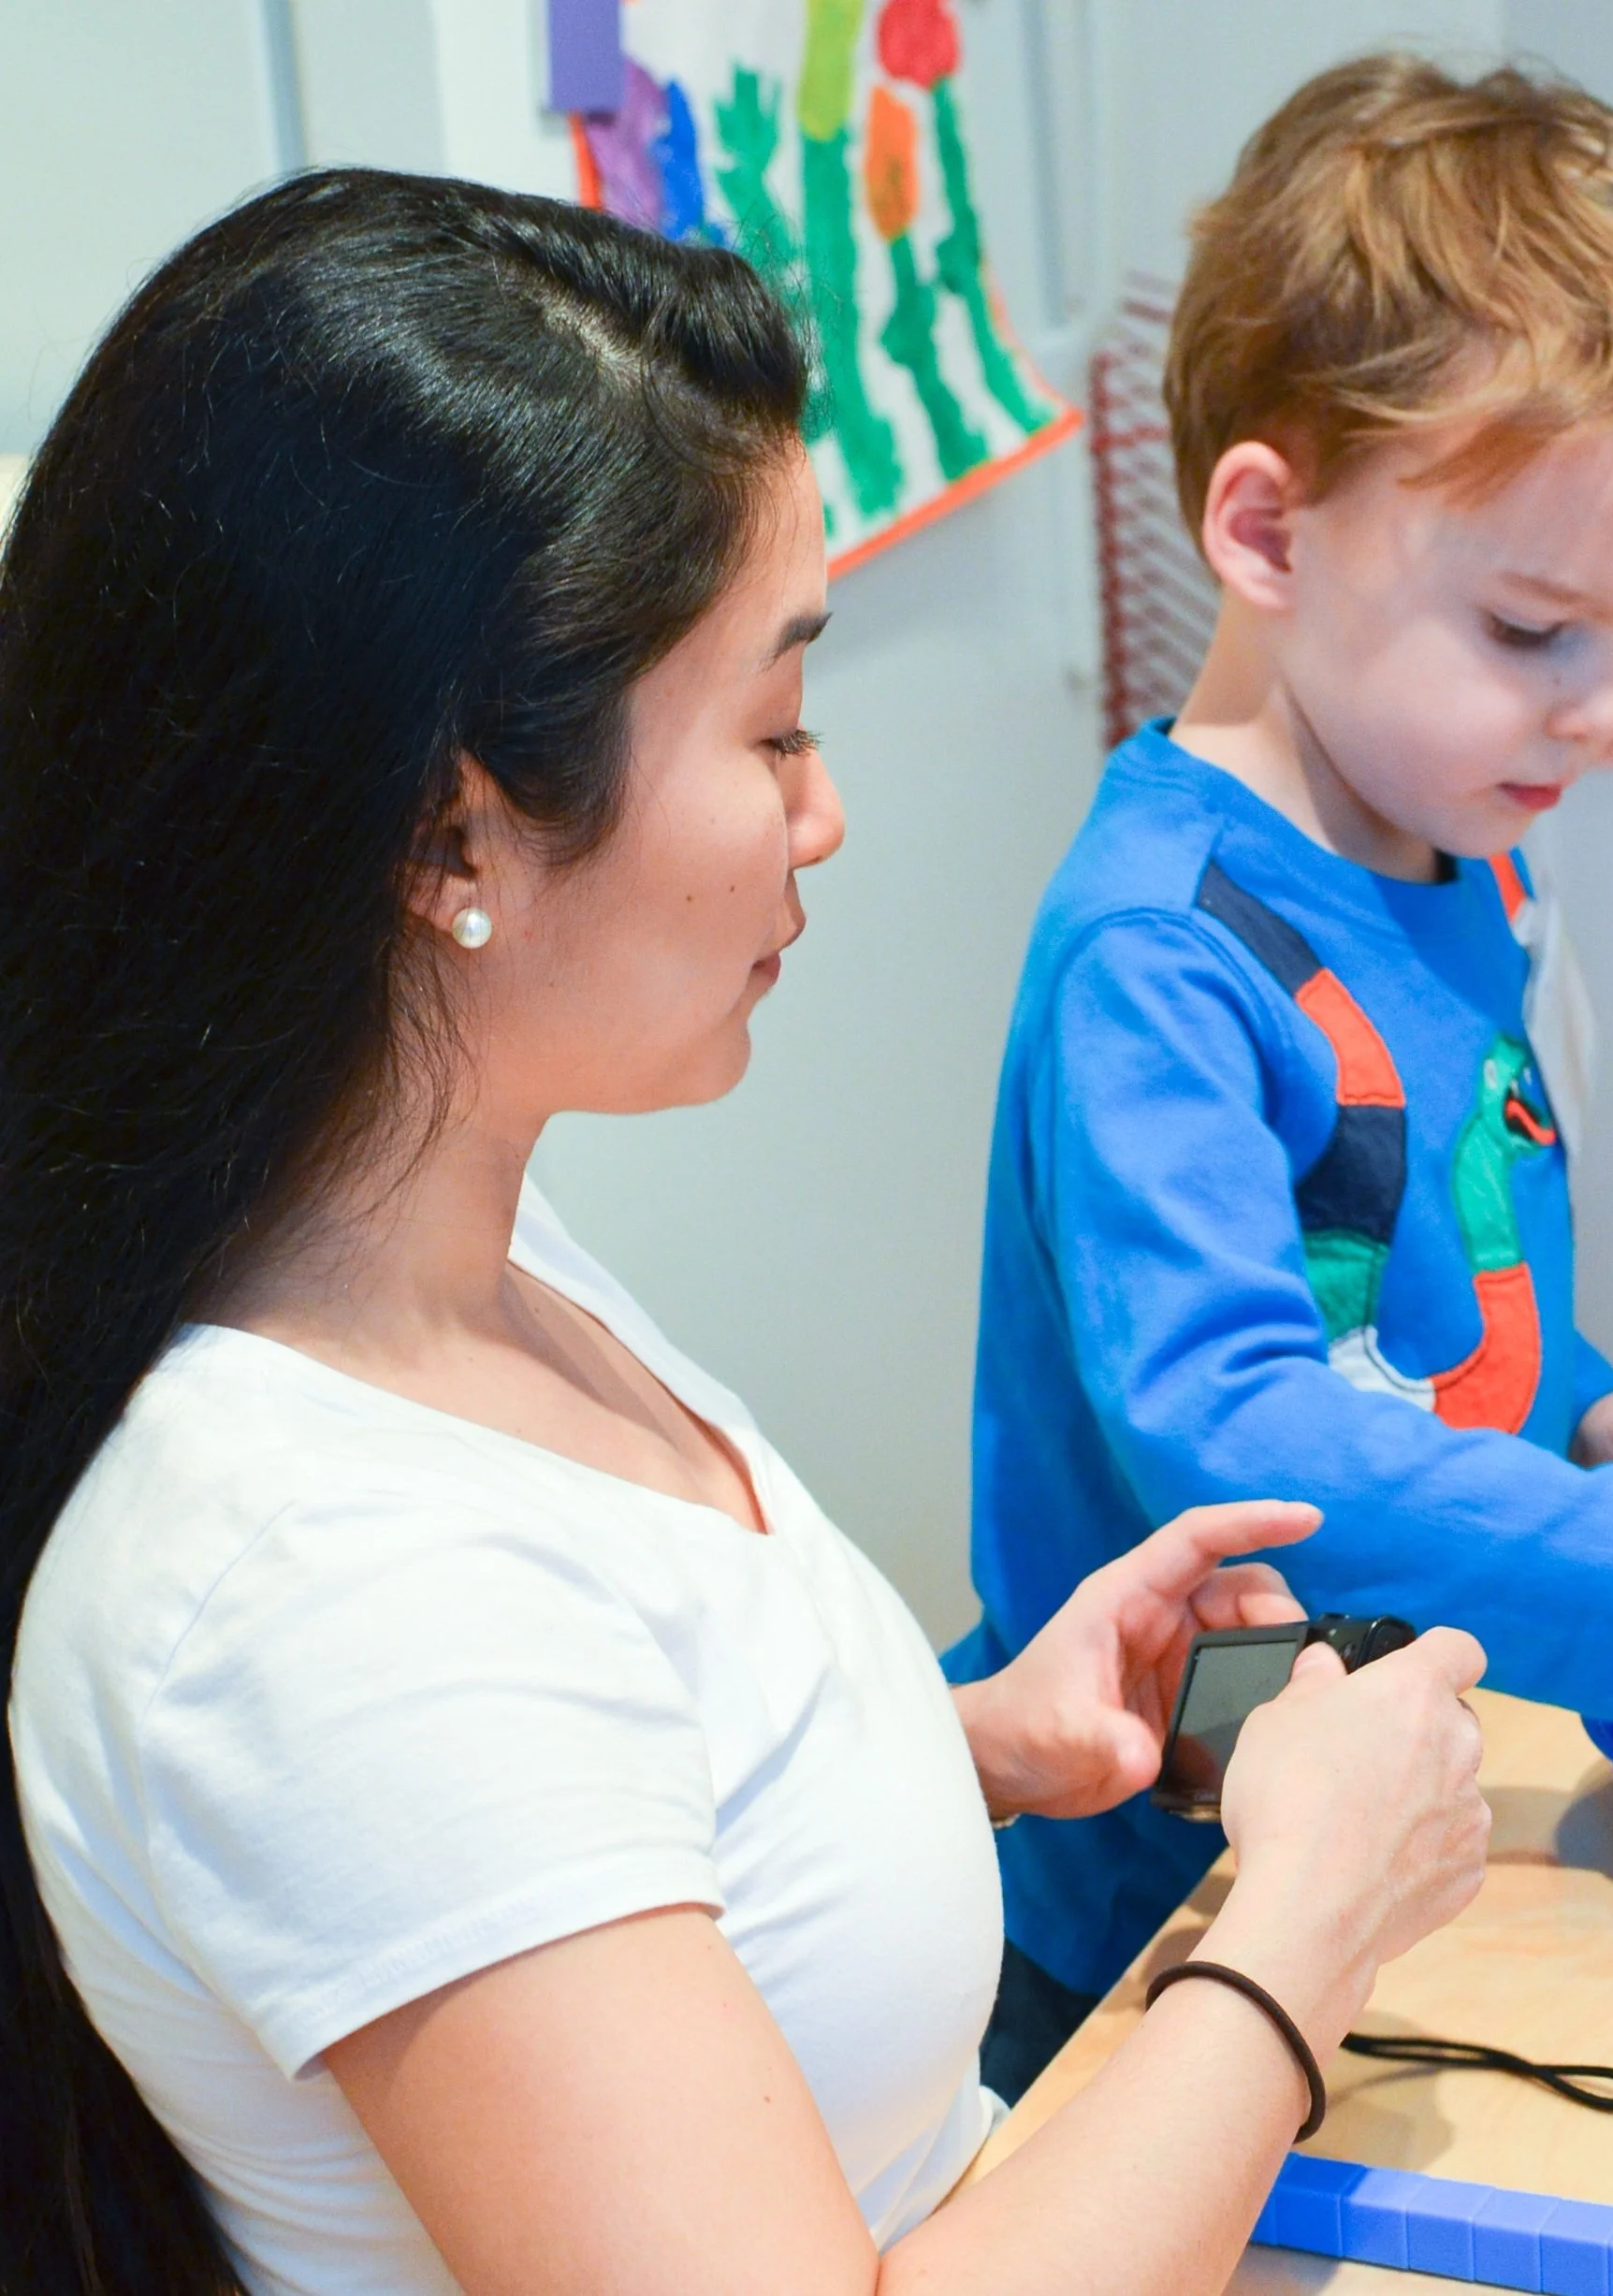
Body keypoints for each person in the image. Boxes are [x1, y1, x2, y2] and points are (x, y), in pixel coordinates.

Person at [0, 171, 1492, 2296]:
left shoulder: (462, 1261)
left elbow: (587, 1855)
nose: (828, 810)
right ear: (453, 835)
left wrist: (958, 1747)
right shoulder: (312, 1595)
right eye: (774, 728)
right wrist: (1298, 1931)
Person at [954, 54, 1613, 2097]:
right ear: (1267, 529)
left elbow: (1421, 1308)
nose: (1593, 711)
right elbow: (1244, 1428)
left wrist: (1599, 1424)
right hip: (1160, 1910)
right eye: (1530, 628)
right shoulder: (1162, 958)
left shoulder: (1444, 852)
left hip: (1388, 1808)